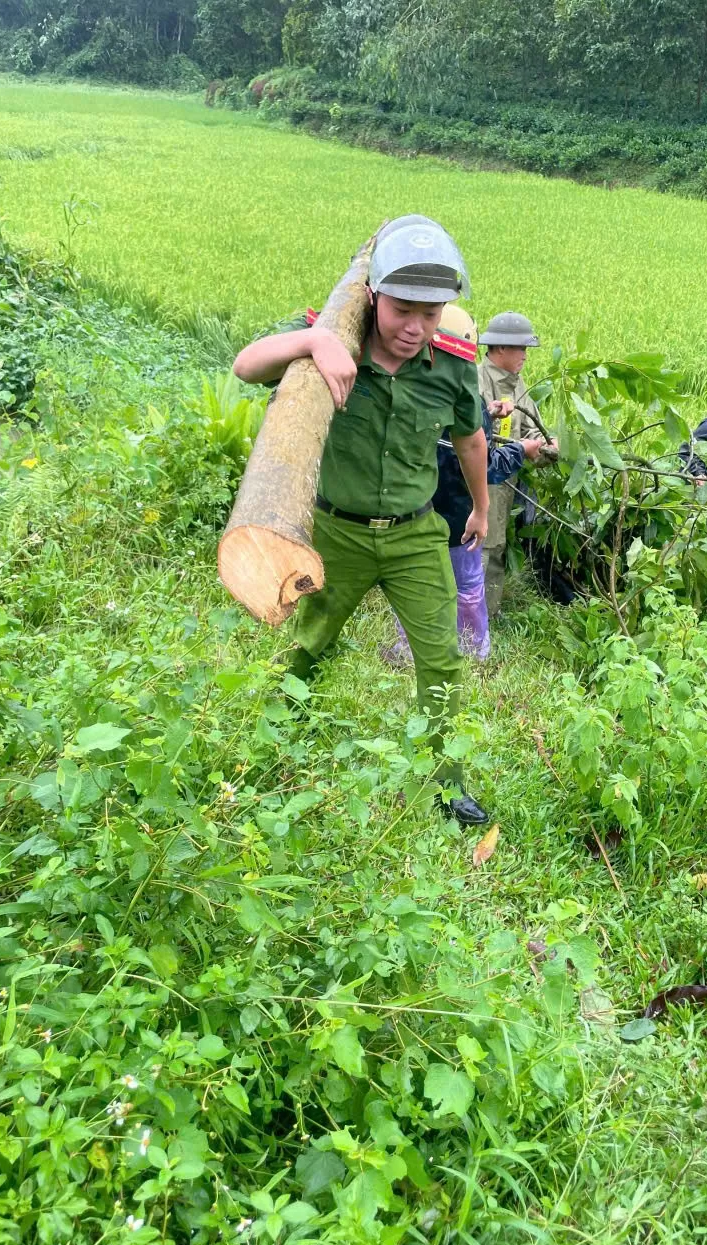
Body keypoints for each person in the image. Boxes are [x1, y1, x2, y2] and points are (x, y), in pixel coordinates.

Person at [232, 215, 491, 826]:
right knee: (309, 643)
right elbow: (246, 365)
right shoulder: (329, 349)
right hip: (336, 534)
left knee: (441, 658)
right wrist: (313, 342)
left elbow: (472, 437)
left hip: (416, 536)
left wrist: (480, 506)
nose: (415, 327)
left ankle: (446, 781)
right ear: (372, 296)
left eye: (431, 314)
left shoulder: (451, 365)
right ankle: (275, 747)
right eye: (403, 309)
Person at [384, 304, 545, 665]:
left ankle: (412, 649)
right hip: (458, 508)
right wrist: (521, 449)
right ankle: (468, 652)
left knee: (419, 581)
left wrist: (488, 417)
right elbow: (478, 459)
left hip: (419, 507)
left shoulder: (410, 384)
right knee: (464, 587)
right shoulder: (465, 388)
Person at [477, 311, 555, 617]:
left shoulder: (517, 384)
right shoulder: (478, 383)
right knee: (481, 548)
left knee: (495, 547)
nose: (525, 355)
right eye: (520, 348)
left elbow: (530, 428)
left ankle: (487, 618)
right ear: (499, 349)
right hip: (481, 481)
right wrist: (522, 448)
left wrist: (547, 446)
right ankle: (470, 626)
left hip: (506, 482)